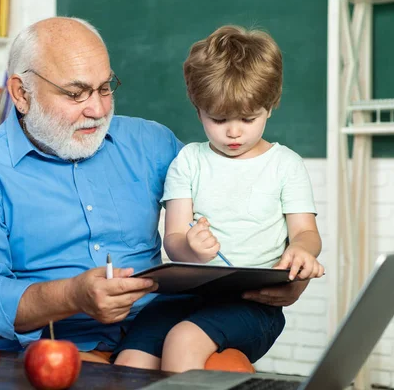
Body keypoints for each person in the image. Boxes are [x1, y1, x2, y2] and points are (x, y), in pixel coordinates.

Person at [0, 17, 317, 355]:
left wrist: (284, 275)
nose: (99, 109)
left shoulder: (152, 144)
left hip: (153, 331)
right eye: (75, 93)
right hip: (51, 350)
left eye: (105, 88)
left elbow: (240, 196)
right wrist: (71, 296)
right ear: (21, 94)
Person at [113, 25, 324, 372]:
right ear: (198, 110)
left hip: (253, 305)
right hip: (187, 295)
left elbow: (306, 232)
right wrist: (191, 249)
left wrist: (302, 250)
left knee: (183, 341)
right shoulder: (189, 162)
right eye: (219, 119)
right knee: (130, 361)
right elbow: (175, 242)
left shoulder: (286, 165)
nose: (234, 131)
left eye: (248, 118)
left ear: (270, 107)